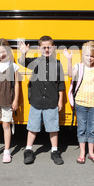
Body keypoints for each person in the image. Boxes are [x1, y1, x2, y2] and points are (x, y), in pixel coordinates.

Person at [18, 36, 65, 165]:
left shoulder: (58, 64)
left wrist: (60, 101)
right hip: (36, 101)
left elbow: (60, 84)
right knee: (32, 127)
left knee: (53, 128)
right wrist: (23, 53)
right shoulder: (36, 62)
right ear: (39, 49)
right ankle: (28, 150)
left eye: (49, 47)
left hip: (51, 101)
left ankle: (54, 151)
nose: (46, 49)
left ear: (53, 48)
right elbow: (22, 62)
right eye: (43, 47)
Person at [64, 41, 94, 165]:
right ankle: (82, 153)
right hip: (80, 103)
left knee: (92, 129)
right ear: (83, 55)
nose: (90, 58)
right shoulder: (79, 66)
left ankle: (91, 153)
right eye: (87, 55)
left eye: (92, 56)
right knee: (81, 128)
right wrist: (69, 60)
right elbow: (71, 74)